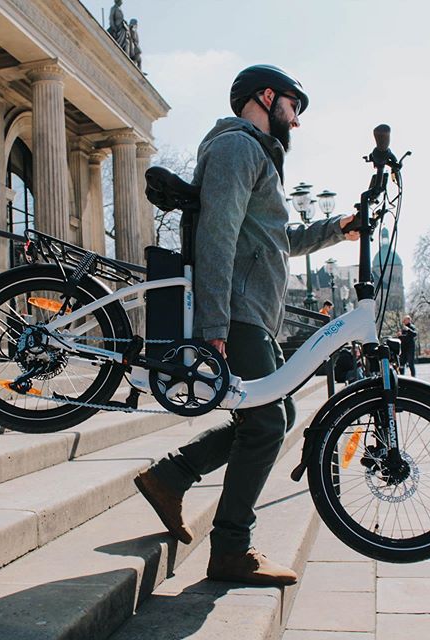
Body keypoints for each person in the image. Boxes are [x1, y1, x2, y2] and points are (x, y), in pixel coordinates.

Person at [134, 65, 359, 587]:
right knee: (266, 423)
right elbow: (216, 236)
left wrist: (336, 228)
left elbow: (278, 238)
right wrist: (214, 321)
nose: (296, 121)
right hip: (235, 312)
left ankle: (170, 477)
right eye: (293, 106)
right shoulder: (237, 148)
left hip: (252, 311)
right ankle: (232, 548)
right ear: (265, 96)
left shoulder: (256, 155)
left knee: (270, 414)